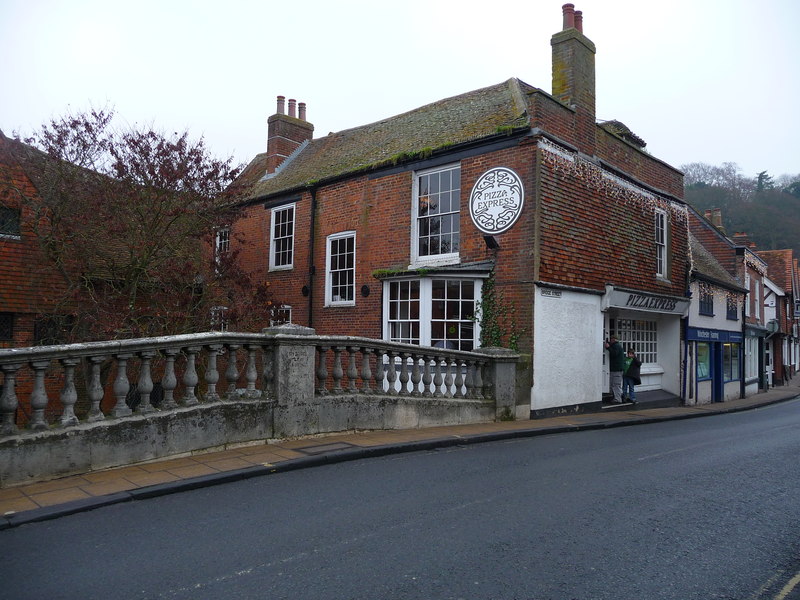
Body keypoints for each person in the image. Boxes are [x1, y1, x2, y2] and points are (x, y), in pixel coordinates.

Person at [604, 335, 625, 403]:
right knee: (615, 384)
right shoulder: (617, 345)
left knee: (616, 384)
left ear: (614, 339)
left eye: (611, 339)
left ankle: (618, 399)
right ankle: (618, 397)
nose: (610, 340)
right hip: (616, 369)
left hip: (617, 369)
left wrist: (608, 347)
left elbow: (614, 353)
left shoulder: (616, 346)